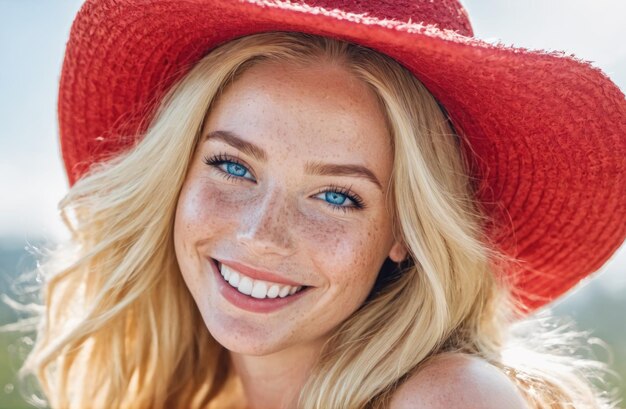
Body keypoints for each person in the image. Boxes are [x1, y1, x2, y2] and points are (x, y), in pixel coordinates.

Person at [17, 0, 625, 408]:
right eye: (233, 166)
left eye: (337, 196)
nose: (262, 234)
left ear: (405, 229)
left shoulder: (447, 399)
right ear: (175, 174)